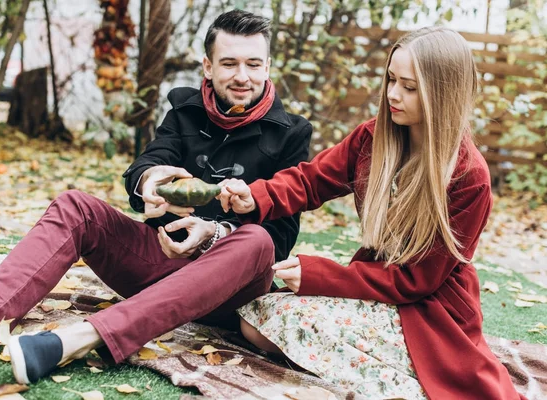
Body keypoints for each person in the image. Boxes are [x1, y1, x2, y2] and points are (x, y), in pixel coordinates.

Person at [0, 10, 312, 384]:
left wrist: (214, 232)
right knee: (77, 206)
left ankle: (77, 339)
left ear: (267, 66)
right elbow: (149, 163)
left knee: (258, 240)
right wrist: (149, 182)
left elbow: (281, 238)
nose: (242, 76)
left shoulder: (292, 133)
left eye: (253, 64)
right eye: (229, 63)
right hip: (160, 261)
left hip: (230, 292)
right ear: (208, 66)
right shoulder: (185, 110)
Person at [218, 27, 524, 400]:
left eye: (410, 87)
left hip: (430, 310)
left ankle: (406, 378)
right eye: (392, 80)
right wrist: (255, 196)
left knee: (269, 326)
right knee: (256, 319)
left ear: (443, 94)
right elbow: (312, 180)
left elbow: (416, 282)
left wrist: (318, 274)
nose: (393, 95)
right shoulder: (372, 137)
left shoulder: (469, 176)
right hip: (372, 285)